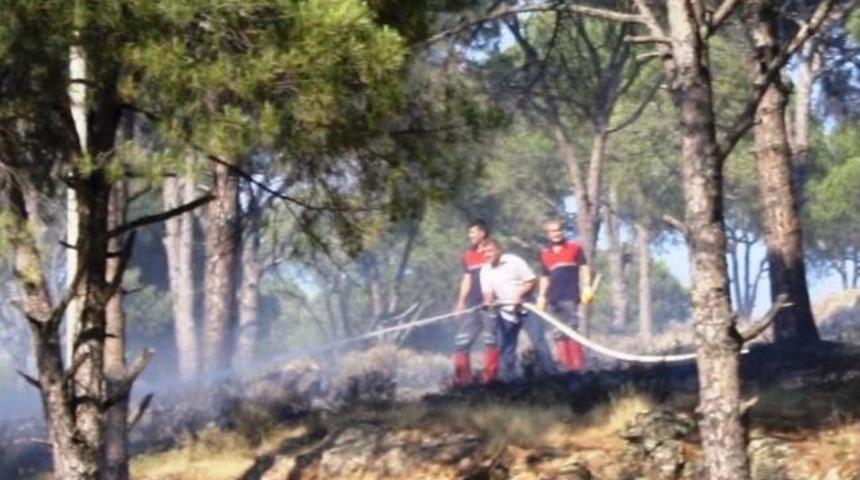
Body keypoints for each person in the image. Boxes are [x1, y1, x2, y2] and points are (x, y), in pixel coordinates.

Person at [479, 238, 557, 381]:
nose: (487, 254)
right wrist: (488, 302)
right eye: (484, 252)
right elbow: (488, 294)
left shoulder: (514, 261)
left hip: (527, 309)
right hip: (506, 313)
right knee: (506, 347)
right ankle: (507, 381)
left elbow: (531, 280)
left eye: (490, 251)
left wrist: (520, 294)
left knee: (539, 342)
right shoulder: (484, 270)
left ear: (499, 250)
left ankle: (552, 376)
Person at [536, 218, 593, 371]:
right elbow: (545, 277)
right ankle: (565, 368)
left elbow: (584, 268)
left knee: (572, 330)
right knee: (558, 333)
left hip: (569, 296)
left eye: (558, 230)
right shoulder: (545, 254)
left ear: (563, 231)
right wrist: (541, 296)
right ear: (547, 234)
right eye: (552, 231)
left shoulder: (574, 248)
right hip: (552, 299)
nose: (556, 234)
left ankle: (578, 367)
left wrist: (587, 287)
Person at [451, 219, 499, 385]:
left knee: (491, 340)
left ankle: (491, 381)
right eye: (469, 232)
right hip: (473, 305)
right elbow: (467, 278)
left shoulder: (492, 251)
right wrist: (461, 302)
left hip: (491, 305)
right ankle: (463, 382)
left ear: (482, 233)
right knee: (461, 341)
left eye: (473, 232)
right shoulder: (467, 255)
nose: (469, 235)